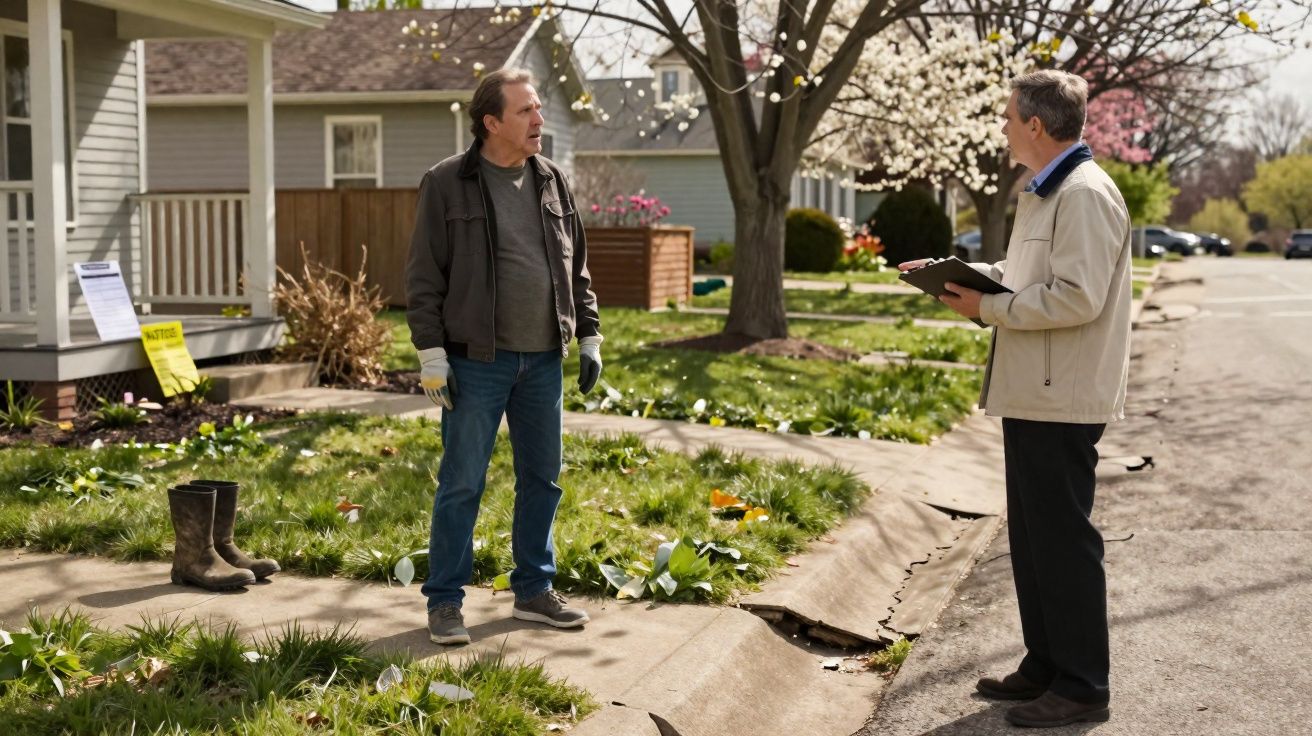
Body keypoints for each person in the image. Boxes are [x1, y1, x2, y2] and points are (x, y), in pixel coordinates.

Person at [900, 69, 1131, 728]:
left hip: (1062, 395)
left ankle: (1083, 685)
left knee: (1062, 541)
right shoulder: (1045, 192)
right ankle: (1046, 664)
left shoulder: (1083, 195)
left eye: (1008, 119)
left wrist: (989, 306)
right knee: (1033, 539)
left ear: (1035, 125)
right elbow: (1027, 278)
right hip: (1034, 390)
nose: (1002, 129)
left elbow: (1076, 297)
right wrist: (960, 279)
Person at [405, 67, 603, 646]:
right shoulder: (446, 182)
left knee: (542, 478)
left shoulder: (553, 181)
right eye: (526, 111)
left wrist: (588, 334)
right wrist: (432, 354)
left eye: (539, 108)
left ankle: (534, 591)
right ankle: (444, 601)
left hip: (543, 359)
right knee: (462, 483)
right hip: (475, 362)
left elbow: (576, 265)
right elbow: (423, 275)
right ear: (491, 122)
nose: (540, 120)